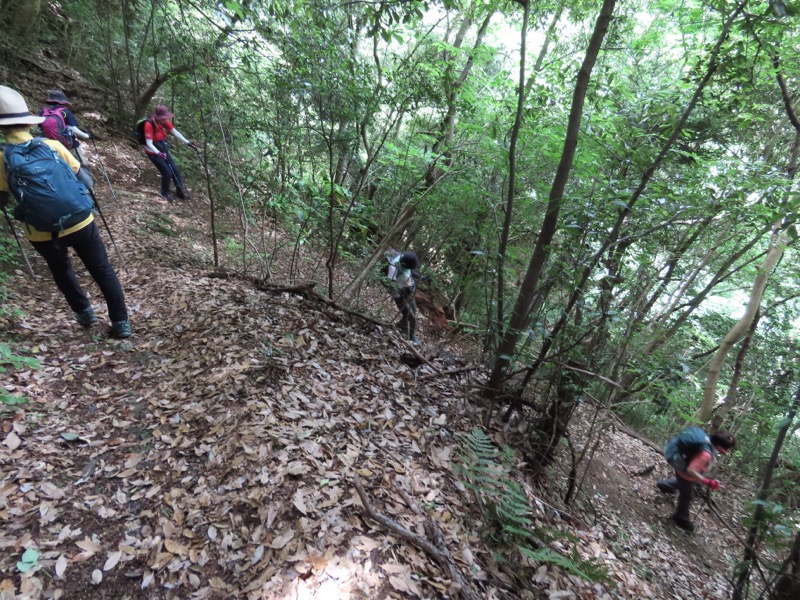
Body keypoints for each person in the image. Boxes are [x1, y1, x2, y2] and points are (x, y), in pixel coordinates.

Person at [0, 85, 131, 339]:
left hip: (41, 230)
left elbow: (2, 200)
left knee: (61, 270)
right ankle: (121, 322)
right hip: (81, 221)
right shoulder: (52, 146)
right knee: (102, 269)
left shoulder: (2, 157)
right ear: (30, 123)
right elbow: (87, 182)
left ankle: (85, 313)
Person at [656, 427, 736, 532]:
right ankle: (681, 518)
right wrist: (707, 482)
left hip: (681, 468)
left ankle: (664, 485)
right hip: (686, 474)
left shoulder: (706, 439)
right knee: (688, 497)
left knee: (684, 485)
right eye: (726, 448)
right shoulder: (706, 454)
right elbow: (691, 470)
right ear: (720, 446)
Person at [141, 104, 197, 201]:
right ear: (158, 117)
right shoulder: (149, 124)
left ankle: (180, 192)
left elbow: (175, 132)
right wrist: (158, 153)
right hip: (152, 152)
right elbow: (149, 143)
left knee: (175, 169)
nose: (165, 120)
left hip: (162, 148)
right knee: (167, 172)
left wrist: (188, 142)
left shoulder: (164, 122)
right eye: (163, 118)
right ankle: (164, 193)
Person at [39, 89, 93, 166]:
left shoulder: (43, 112)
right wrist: (87, 135)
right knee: (81, 165)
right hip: (67, 145)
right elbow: (74, 129)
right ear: (63, 101)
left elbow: (41, 128)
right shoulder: (65, 112)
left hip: (49, 146)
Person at [386, 250, 420, 345]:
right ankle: (410, 335)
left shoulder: (404, 258)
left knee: (413, 309)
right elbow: (390, 284)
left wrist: (421, 277)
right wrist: (401, 293)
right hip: (399, 293)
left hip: (407, 289)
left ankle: (401, 326)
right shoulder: (393, 267)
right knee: (410, 315)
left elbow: (409, 271)